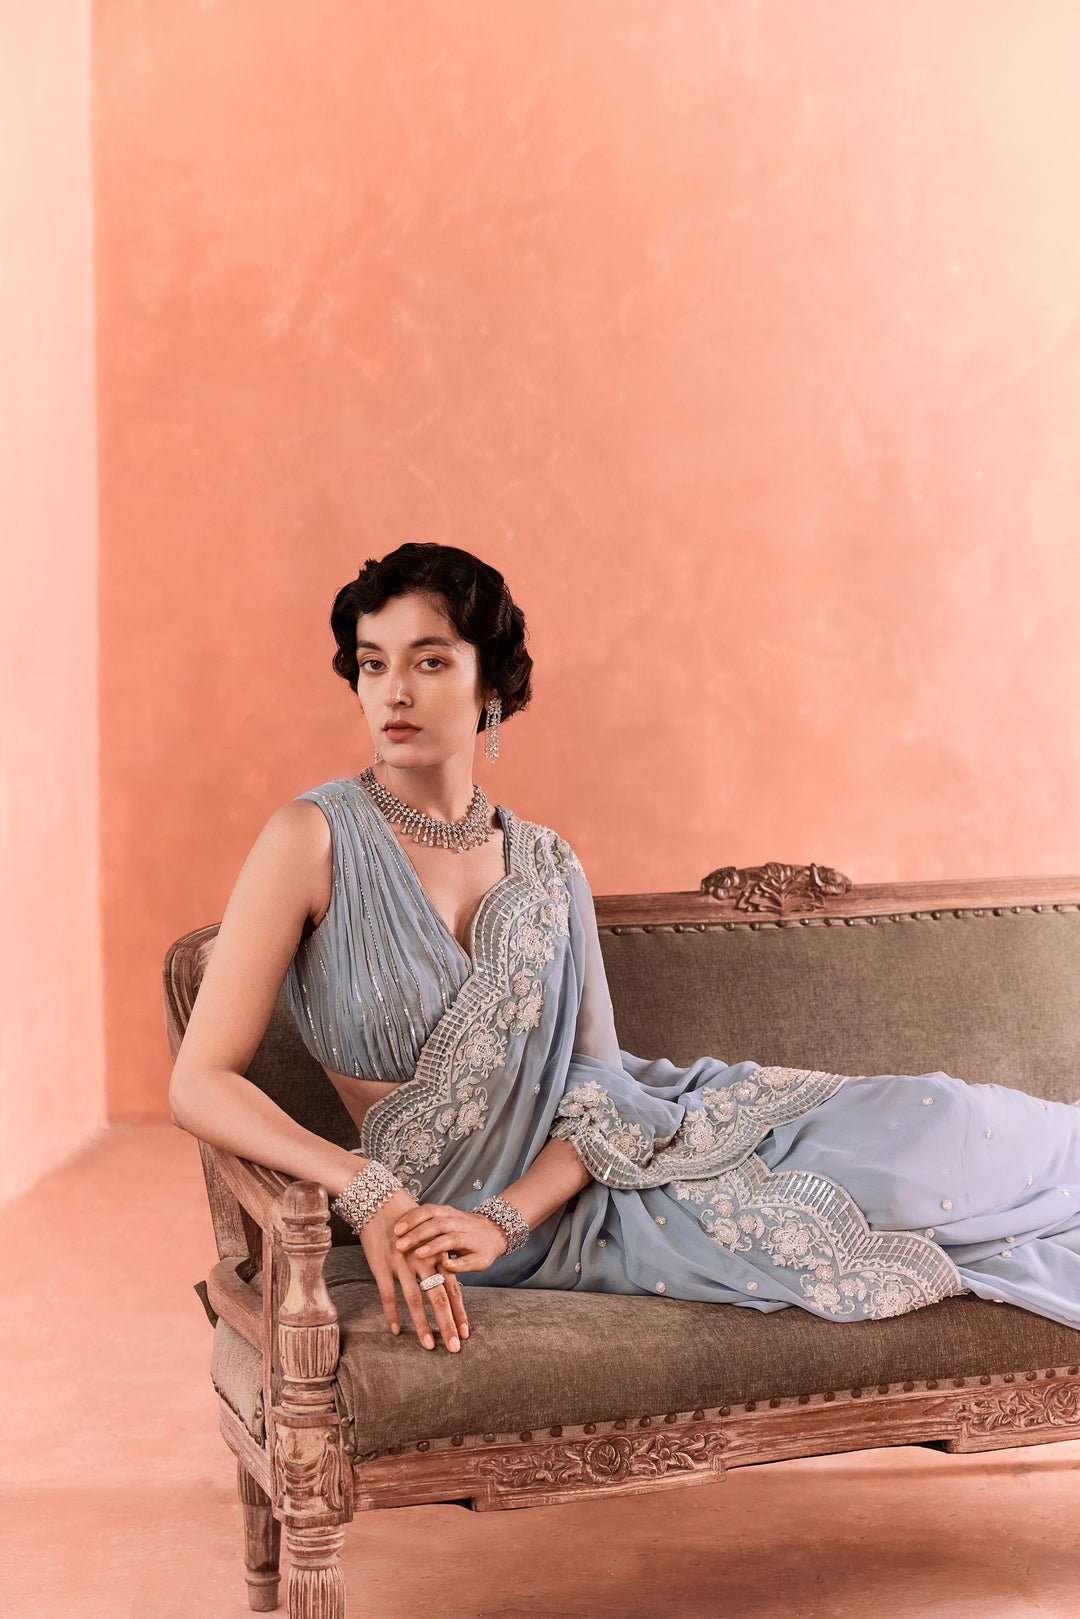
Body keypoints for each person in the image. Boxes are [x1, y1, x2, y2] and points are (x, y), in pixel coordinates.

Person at [169, 543, 1080, 1355]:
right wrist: (366, 1187)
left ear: (490, 688)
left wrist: (505, 1216)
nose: (393, 692)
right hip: (527, 1219)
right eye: (373, 664)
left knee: (935, 1123)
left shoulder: (546, 864)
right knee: (906, 1193)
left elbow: (602, 1086)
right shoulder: (312, 838)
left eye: (429, 660)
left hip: (606, 1157)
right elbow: (199, 1081)